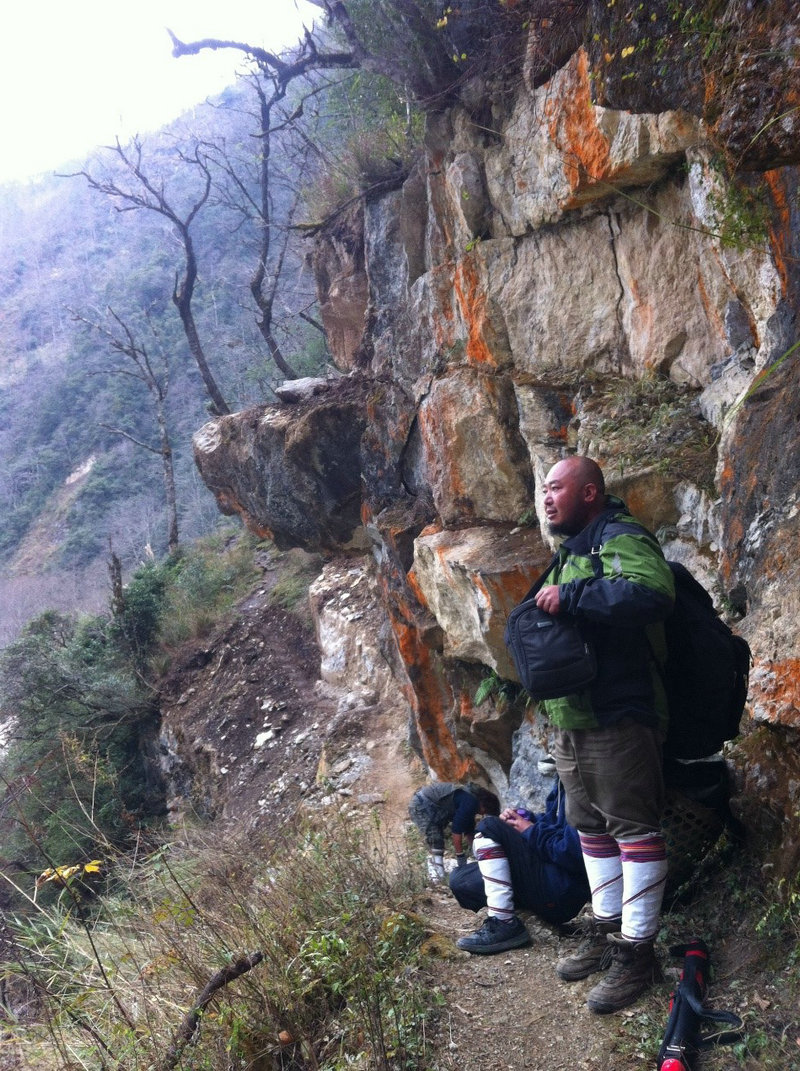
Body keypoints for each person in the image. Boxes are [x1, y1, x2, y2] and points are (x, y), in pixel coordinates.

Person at [533, 455, 676, 1014]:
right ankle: (607, 929)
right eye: (543, 490)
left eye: (557, 488)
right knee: (590, 828)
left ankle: (637, 953)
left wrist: (573, 597)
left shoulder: (617, 537)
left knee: (633, 830)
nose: (547, 498)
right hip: (575, 719)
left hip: (620, 714)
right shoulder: (570, 552)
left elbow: (651, 590)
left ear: (589, 493)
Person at [451, 778, 589, 954]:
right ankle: (510, 910)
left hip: (562, 889)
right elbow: (552, 821)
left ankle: (504, 922)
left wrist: (530, 830)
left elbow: (574, 853)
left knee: (489, 825)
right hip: (545, 877)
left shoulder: (584, 784)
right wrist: (525, 818)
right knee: (461, 881)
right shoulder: (564, 778)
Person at [408, 782, 500, 881]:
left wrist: (477, 853)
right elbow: (457, 831)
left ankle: (437, 873)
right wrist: (460, 857)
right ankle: (437, 877)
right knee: (435, 839)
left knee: (437, 836)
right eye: (485, 812)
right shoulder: (470, 803)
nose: (482, 814)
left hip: (431, 805)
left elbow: (469, 831)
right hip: (421, 805)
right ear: (484, 805)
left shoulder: (471, 800)